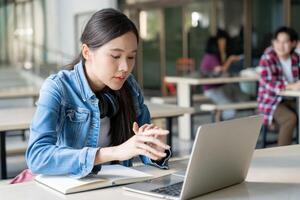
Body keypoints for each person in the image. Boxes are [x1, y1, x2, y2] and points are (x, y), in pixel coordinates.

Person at [23, 8, 171, 179]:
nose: (125, 67)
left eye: (131, 57)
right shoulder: (57, 87)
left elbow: (141, 148)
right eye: (115, 56)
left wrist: (156, 151)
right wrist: (114, 153)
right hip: (69, 189)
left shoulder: (130, 86)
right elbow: (37, 157)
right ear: (87, 52)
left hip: (115, 187)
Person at [258, 26, 300, 146]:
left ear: (293, 43)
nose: (281, 46)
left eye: (285, 42)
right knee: (290, 119)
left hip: (292, 100)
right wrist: (291, 86)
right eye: (278, 41)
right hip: (271, 101)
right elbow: (270, 84)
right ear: (273, 42)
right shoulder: (268, 57)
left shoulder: (296, 57)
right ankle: (282, 156)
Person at [200, 34, 246, 121]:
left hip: (219, 87)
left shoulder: (212, 56)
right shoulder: (211, 57)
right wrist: (230, 59)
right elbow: (221, 70)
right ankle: (224, 125)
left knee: (238, 96)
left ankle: (219, 117)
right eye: (220, 43)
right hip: (212, 89)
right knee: (230, 109)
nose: (223, 45)